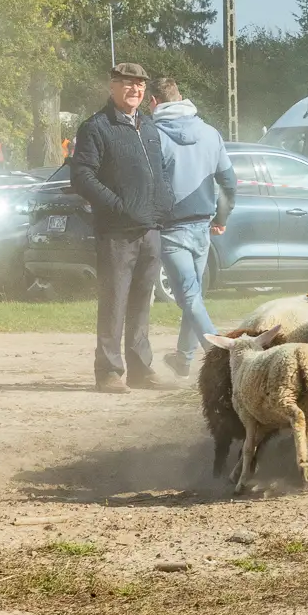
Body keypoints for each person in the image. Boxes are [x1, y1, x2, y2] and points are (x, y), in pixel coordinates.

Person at [70, 62, 174, 393]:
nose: (135, 90)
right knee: (114, 302)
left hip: (150, 229)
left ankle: (141, 370)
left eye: (140, 85)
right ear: (112, 87)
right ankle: (108, 372)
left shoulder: (149, 127)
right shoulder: (96, 127)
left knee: (142, 302)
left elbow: (160, 170)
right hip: (116, 233)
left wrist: (164, 199)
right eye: (127, 84)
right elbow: (82, 176)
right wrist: (117, 206)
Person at [150, 77, 235, 377]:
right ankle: (183, 360)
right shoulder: (210, 133)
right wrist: (221, 218)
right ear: (181, 97)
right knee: (193, 297)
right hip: (202, 226)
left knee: (189, 298)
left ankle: (220, 357)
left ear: (153, 102)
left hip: (170, 228)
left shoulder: (153, 135)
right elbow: (229, 182)